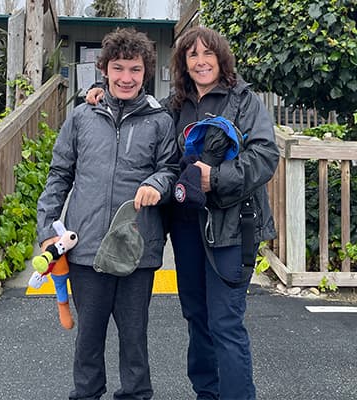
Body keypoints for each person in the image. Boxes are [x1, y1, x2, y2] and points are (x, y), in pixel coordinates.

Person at [86, 26, 279, 400]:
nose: (201, 61)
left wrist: (216, 178)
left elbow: (265, 157)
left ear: (221, 59)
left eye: (208, 54)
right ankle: (207, 394)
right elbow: (133, 100)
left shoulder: (244, 101)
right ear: (183, 62)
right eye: (193, 55)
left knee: (225, 322)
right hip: (187, 227)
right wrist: (92, 93)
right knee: (196, 317)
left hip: (231, 228)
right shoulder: (176, 104)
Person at [37, 27, 178, 400]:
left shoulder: (160, 120)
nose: (126, 78)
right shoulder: (82, 117)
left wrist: (158, 183)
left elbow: (171, 168)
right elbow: (59, 174)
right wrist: (47, 229)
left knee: (134, 341)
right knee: (88, 341)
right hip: (85, 250)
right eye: (118, 68)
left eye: (134, 69)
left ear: (146, 71)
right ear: (104, 69)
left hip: (137, 250)